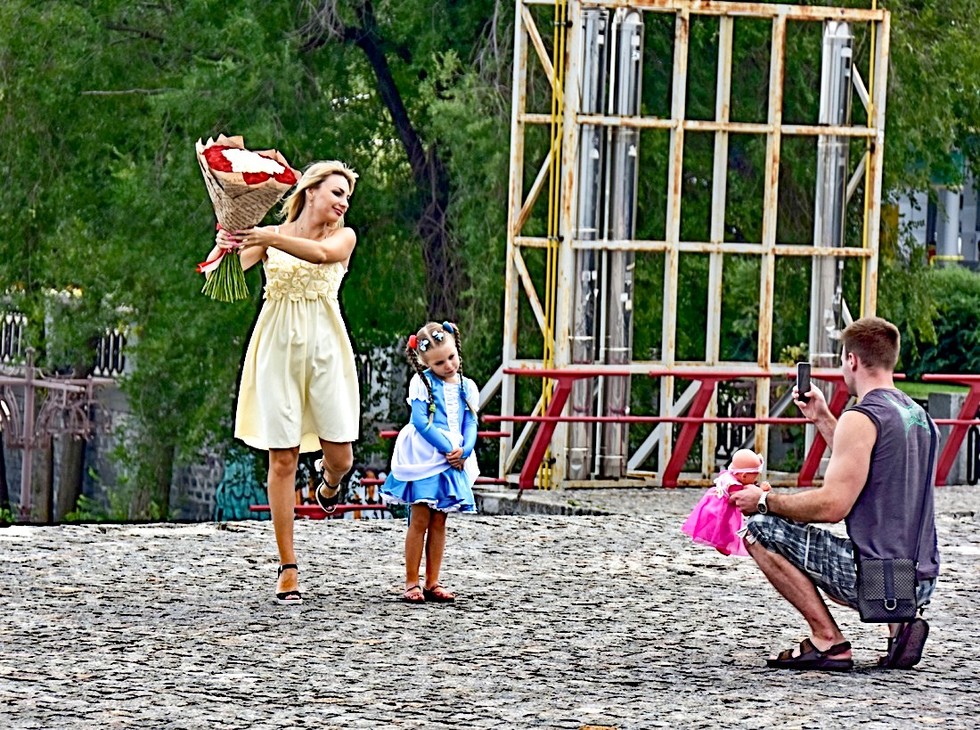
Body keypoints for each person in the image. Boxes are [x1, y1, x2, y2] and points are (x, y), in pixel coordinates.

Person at [730, 317, 940, 671]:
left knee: (757, 528)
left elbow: (833, 506)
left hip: (878, 581)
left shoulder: (862, 417)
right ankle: (899, 626)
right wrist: (823, 418)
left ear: (852, 360)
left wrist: (764, 501)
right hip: (919, 581)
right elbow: (871, 472)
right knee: (888, 538)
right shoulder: (920, 417)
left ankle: (827, 640)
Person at [207, 160, 361, 605]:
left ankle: (329, 482)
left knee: (342, 456)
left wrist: (268, 237)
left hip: (326, 348)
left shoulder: (342, 237)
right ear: (311, 191)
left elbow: (321, 256)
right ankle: (287, 565)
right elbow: (222, 275)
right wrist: (226, 243)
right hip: (277, 347)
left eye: (347, 196)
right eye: (336, 192)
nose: (343, 203)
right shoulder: (269, 236)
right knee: (282, 459)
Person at [380, 321, 479, 604]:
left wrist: (465, 450)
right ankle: (411, 581)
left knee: (440, 519)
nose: (448, 365)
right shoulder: (422, 383)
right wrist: (448, 447)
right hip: (427, 455)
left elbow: (470, 421)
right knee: (420, 518)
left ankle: (433, 581)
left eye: (451, 358)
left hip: (453, 458)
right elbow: (421, 422)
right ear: (425, 362)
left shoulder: (467, 386)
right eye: (439, 362)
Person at [681, 448, 771, 556]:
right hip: (723, 509)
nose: (755, 480)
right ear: (744, 476)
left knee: (723, 527)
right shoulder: (734, 485)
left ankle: (721, 542)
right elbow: (742, 497)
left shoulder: (729, 475)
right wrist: (761, 491)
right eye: (754, 477)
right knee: (725, 527)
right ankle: (722, 544)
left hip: (715, 503)